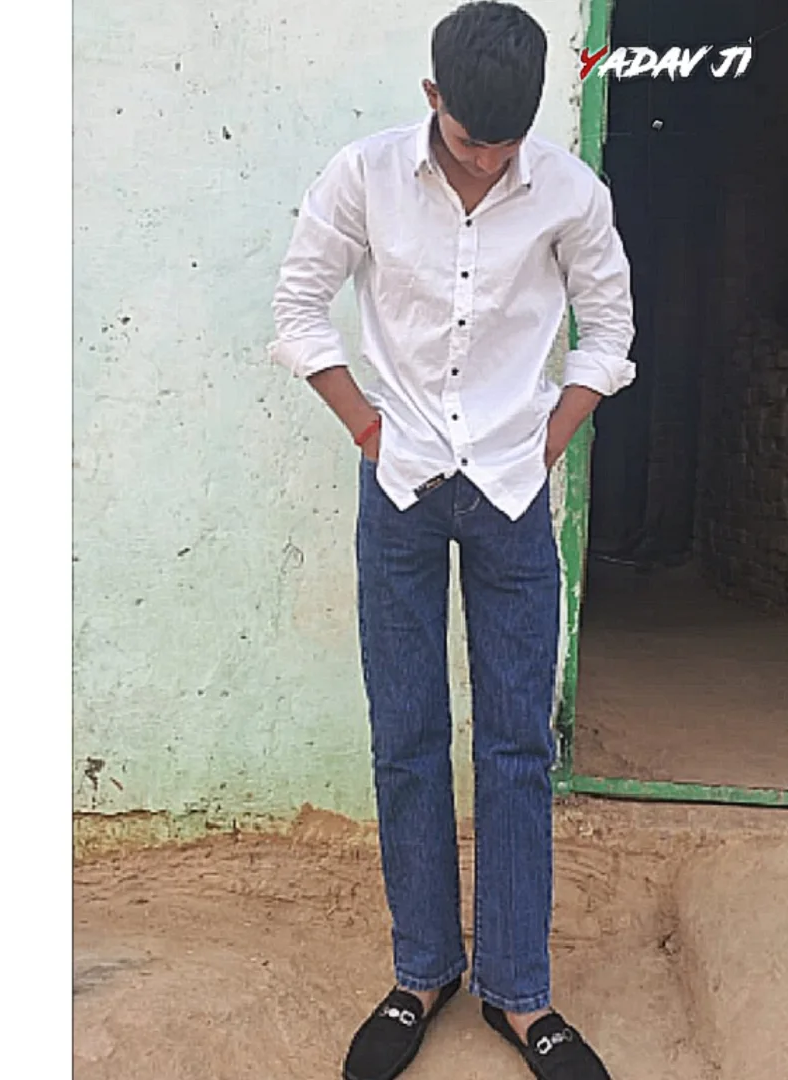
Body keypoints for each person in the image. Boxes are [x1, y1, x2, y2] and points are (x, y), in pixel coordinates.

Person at [268, 3, 634, 1077]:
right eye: (473, 140)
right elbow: (299, 309)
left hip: (514, 488)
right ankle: (422, 971)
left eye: (509, 143)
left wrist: (551, 441)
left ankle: (520, 994)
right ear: (433, 99)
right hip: (403, 485)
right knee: (407, 734)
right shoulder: (365, 176)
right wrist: (368, 429)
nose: (489, 161)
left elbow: (611, 328)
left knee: (519, 743)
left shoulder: (570, 191)